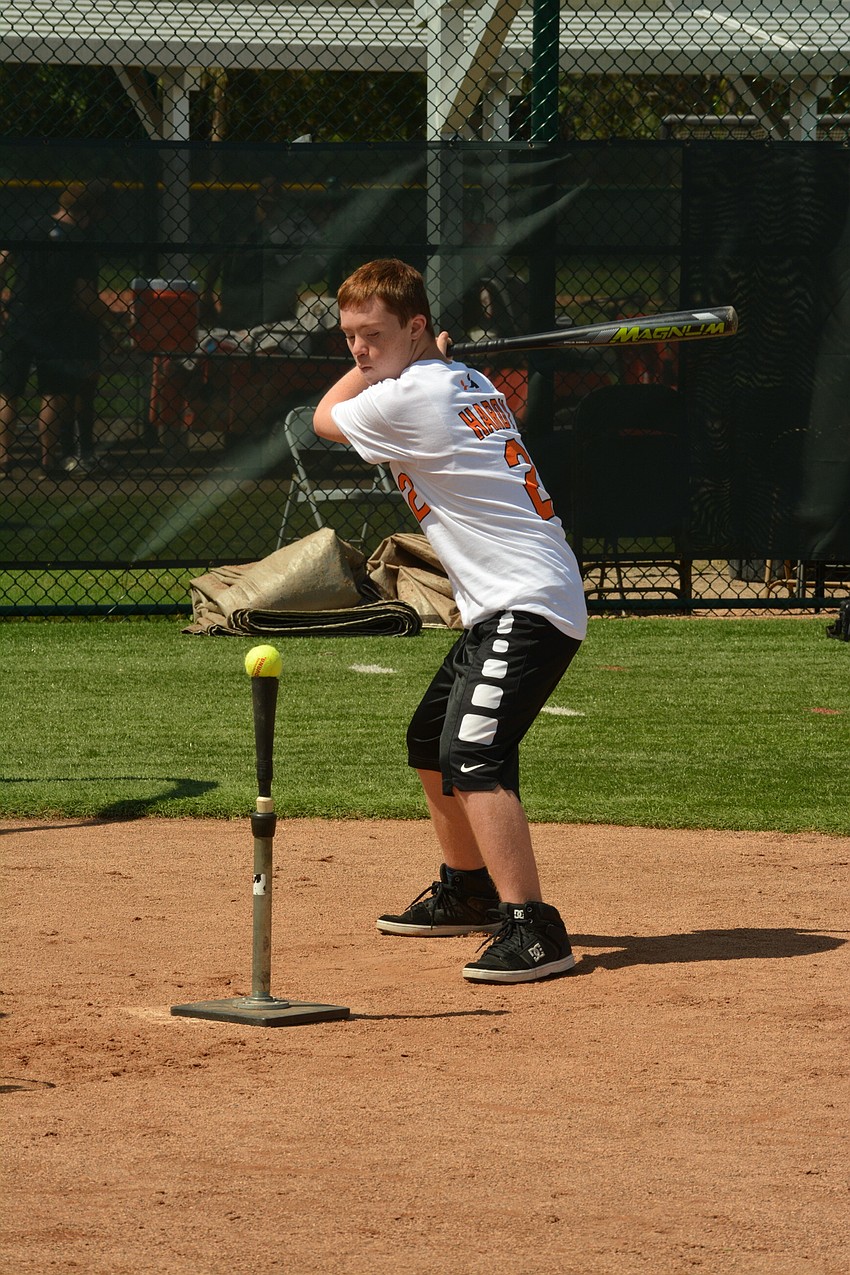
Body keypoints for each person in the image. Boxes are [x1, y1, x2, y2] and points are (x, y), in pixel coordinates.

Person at [313, 259, 588, 984]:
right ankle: (468, 889)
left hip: (527, 600)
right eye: (348, 337)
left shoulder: (412, 397)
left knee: (473, 759)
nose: (359, 351)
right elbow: (389, 381)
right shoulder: (466, 380)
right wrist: (419, 355)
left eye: (373, 334)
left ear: (413, 326)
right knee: (431, 744)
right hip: (510, 599)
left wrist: (394, 370)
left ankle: (534, 927)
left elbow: (321, 418)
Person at [0, 180, 121, 479]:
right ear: (89, 209)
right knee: (52, 392)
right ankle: (47, 460)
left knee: (7, 391)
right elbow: (84, 297)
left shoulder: (30, 225)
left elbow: (2, 261)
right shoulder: (79, 239)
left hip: (20, 316)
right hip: (57, 324)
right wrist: (114, 319)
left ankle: (2, 459)